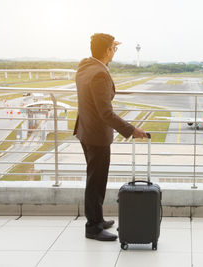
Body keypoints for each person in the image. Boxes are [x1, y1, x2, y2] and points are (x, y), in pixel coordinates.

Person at [74, 33, 147, 241]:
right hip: (96, 135)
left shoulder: (85, 66)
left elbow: (98, 57)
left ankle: (97, 218)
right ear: (106, 51)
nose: (114, 51)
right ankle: (93, 227)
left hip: (85, 131)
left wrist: (107, 47)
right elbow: (106, 113)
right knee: (96, 182)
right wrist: (131, 130)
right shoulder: (100, 74)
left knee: (94, 179)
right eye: (112, 49)